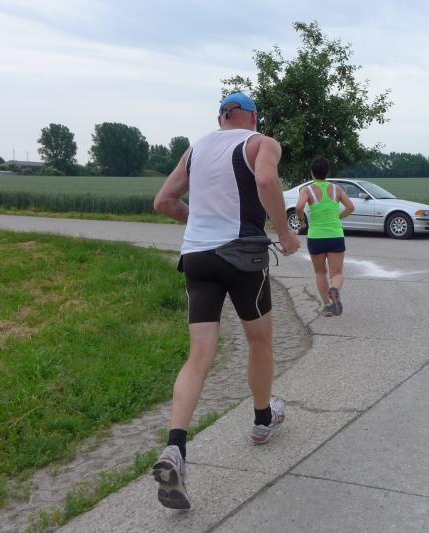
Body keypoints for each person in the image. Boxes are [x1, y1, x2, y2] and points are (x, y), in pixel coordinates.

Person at [150, 92, 300, 509]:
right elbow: (266, 182)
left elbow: (163, 201)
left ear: (220, 118)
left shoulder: (195, 150)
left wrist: (197, 222)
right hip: (242, 256)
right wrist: (284, 233)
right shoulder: (260, 143)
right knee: (260, 341)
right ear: (252, 116)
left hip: (197, 257)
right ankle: (262, 419)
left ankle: (175, 448)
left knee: (199, 355)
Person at [295, 157, 355, 316]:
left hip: (316, 237)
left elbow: (299, 207)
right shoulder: (337, 189)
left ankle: (327, 306)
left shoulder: (306, 190)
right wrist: (338, 216)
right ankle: (334, 289)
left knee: (320, 272)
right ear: (327, 172)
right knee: (337, 273)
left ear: (312, 173)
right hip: (335, 235)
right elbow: (351, 207)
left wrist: (302, 222)